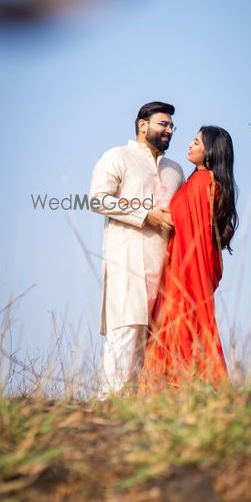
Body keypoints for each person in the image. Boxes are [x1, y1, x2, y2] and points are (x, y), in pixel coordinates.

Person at [90, 101, 184, 397]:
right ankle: (109, 402)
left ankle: (137, 407)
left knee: (153, 337)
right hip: (126, 261)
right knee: (125, 332)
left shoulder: (175, 170)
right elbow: (97, 199)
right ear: (143, 125)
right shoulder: (118, 156)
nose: (168, 130)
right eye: (163, 124)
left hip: (164, 268)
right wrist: (145, 215)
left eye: (171, 126)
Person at [139, 125, 238, 390]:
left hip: (186, 269)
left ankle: (186, 386)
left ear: (210, 151)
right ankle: (178, 387)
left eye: (196, 142)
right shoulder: (197, 180)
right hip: (179, 265)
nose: (189, 145)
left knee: (181, 323)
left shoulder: (204, 182)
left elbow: (194, 227)